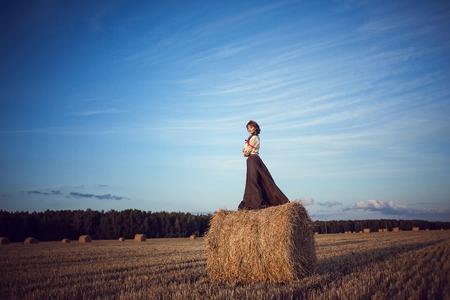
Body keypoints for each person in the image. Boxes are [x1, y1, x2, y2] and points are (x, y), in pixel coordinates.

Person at [238, 120, 290, 210]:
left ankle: (258, 203)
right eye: (248, 128)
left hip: (254, 159)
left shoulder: (254, 138)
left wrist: (245, 152)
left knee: (254, 181)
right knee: (251, 181)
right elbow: (245, 152)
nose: (249, 129)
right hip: (251, 160)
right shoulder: (251, 138)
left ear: (256, 128)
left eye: (251, 127)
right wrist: (245, 152)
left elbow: (247, 152)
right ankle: (253, 202)